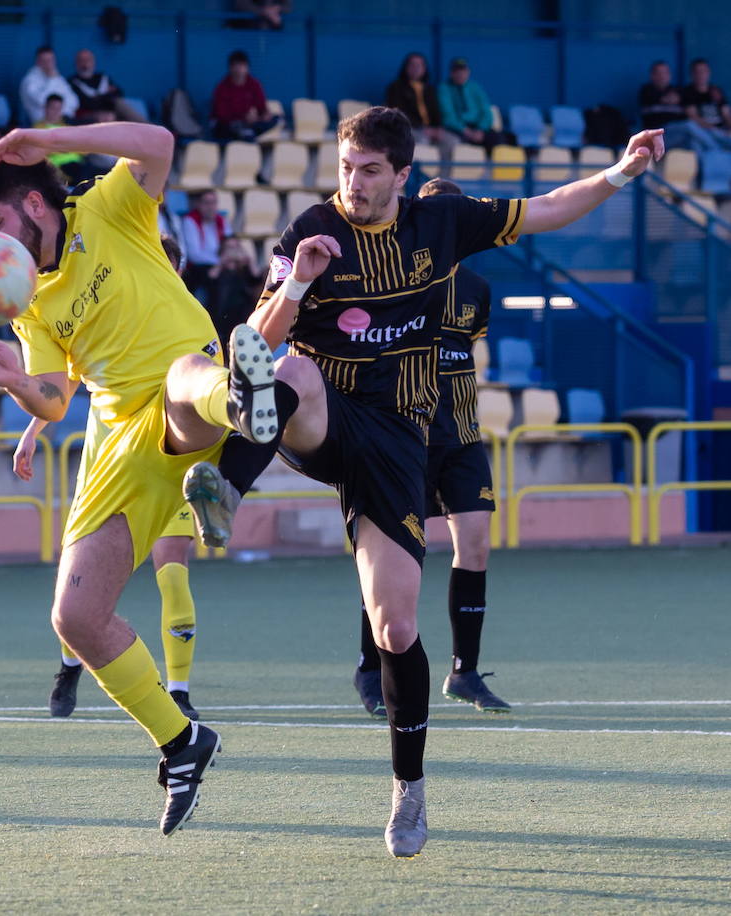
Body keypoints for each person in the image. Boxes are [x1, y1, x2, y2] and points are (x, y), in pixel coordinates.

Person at [179, 106, 663, 856]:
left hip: (399, 441)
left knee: (395, 626)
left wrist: (622, 172)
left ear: (402, 175)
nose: (355, 183)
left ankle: (409, 790)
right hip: (322, 417)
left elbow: (546, 210)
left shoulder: (444, 224)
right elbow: (257, 339)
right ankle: (226, 494)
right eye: (346, 168)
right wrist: (300, 284)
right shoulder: (313, 228)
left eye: (370, 170)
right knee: (295, 370)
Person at [0, 120, 285, 835]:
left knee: (187, 381)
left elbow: (160, 142)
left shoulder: (108, 204)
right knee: (74, 618)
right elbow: (54, 396)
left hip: (181, 378)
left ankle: (242, 397)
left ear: (34, 205)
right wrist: (14, 382)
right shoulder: (30, 301)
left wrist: (48, 137)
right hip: (115, 433)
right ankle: (183, 740)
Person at [14, 232, 204, 720]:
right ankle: (68, 665)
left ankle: (178, 693)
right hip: (111, 457)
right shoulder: (116, 308)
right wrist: (33, 429)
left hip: (172, 459)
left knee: (175, 576)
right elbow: (68, 376)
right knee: (80, 588)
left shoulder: (184, 321)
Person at [349, 176, 508, 720]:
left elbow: (467, 352)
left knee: (478, 544)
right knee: (392, 559)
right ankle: (370, 668)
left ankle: (465, 671)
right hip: (404, 437)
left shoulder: (477, 289)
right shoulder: (397, 277)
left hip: (461, 436)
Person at [384, 52, 456, 159]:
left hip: (430, 130)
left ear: (424, 68)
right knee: (422, 140)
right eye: (412, 65)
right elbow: (398, 113)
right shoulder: (395, 88)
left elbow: (436, 112)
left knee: (451, 140)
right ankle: (419, 175)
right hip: (410, 129)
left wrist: (437, 129)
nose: (416, 68)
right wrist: (423, 129)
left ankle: (443, 175)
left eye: (419, 65)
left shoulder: (429, 89)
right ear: (406, 67)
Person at [437, 58, 513, 150]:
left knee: (505, 138)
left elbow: (487, 113)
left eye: (463, 71)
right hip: (457, 130)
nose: (460, 74)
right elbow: (448, 117)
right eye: (456, 71)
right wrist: (466, 131)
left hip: (479, 129)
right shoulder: (444, 89)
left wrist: (480, 130)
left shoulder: (476, 88)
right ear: (451, 73)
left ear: (468, 72)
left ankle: (494, 163)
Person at [204, 236, 264, 349]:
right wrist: (223, 262)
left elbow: (257, 278)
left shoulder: (244, 270)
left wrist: (248, 260)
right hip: (221, 313)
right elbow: (211, 278)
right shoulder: (218, 269)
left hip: (243, 312)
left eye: (236, 247)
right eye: (230, 248)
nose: (233, 251)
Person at [211, 50, 276, 142]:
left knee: (276, 119)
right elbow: (222, 115)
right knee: (226, 127)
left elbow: (261, 108)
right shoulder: (222, 87)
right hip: (229, 125)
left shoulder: (254, 84)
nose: (239, 69)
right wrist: (244, 118)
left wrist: (263, 115)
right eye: (236, 66)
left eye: (242, 65)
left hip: (251, 123)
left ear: (247, 67)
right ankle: (247, 133)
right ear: (230, 68)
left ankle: (248, 132)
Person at [180, 189, 227, 301]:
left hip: (219, 264)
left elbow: (230, 242)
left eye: (213, 203)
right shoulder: (190, 221)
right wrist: (220, 263)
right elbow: (194, 255)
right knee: (220, 279)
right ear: (198, 204)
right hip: (197, 268)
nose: (211, 207)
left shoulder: (220, 220)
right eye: (206, 203)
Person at [676, 58, 731, 153]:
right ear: (692, 74)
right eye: (697, 72)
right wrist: (715, 130)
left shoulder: (716, 91)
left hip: (722, 132)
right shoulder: (688, 92)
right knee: (695, 141)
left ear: (708, 72)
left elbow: (726, 114)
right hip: (703, 132)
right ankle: (718, 150)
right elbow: (693, 117)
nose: (701, 75)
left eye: (703, 71)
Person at [34, 94, 90, 184]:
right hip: (58, 165)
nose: (56, 112)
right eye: (53, 108)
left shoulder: (67, 127)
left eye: (59, 109)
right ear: (45, 108)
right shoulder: (37, 129)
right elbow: (41, 150)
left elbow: (82, 149)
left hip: (79, 163)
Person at [19, 46, 78, 126]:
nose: (48, 64)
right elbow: (42, 101)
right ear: (38, 61)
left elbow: (74, 101)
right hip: (41, 124)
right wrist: (51, 80)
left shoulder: (57, 77)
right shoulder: (29, 80)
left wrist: (60, 112)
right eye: (44, 60)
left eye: (50, 60)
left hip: (63, 120)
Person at [68, 49, 125, 124]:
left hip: (110, 110)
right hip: (87, 114)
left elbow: (119, 93)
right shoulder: (72, 82)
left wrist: (99, 98)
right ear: (76, 63)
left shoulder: (103, 77)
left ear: (93, 62)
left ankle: (143, 125)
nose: (85, 63)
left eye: (88, 59)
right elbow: (85, 103)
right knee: (108, 117)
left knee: (120, 104)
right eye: (82, 60)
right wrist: (107, 95)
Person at [638, 60, 687, 131]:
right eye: (658, 73)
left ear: (669, 75)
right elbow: (657, 98)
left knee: (692, 140)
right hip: (656, 132)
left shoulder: (678, 90)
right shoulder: (646, 90)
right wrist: (665, 99)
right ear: (652, 75)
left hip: (677, 129)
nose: (662, 76)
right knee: (689, 125)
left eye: (665, 73)